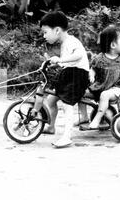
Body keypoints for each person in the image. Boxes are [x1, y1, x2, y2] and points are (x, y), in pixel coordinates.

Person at [38, 11, 90, 148]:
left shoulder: (72, 41)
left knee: (67, 104)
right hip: (69, 74)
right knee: (51, 100)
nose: (44, 36)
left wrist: (60, 60)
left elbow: (78, 55)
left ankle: (67, 136)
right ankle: (51, 127)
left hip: (78, 76)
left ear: (57, 30)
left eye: (45, 32)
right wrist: (50, 62)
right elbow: (64, 63)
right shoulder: (64, 43)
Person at [80, 25, 120, 131]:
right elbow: (93, 68)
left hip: (116, 90)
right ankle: (84, 116)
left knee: (105, 95)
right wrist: (92, 74)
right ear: (113, 45)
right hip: (99, 87)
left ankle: (96, 119)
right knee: (79, 92)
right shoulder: (100, 58)